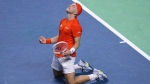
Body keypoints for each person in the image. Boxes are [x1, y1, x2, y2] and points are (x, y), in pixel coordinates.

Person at [39, 2, 107, 84]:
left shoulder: (76, 25)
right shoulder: (63, 21)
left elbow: (77, 43)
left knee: (71, 82)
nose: (69, 5)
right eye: (70, 4)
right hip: (58, 53)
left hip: (68, 56)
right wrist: (46, 41)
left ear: (76, 12)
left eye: (73, 6)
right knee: (56, 75)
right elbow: (60, 37)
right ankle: (80, 66)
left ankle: (96, 75)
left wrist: (69, 51)